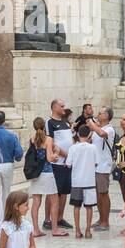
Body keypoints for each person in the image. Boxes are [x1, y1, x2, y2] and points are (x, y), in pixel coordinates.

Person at [0, 110, 25, 223]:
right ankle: (6, 219)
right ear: (4, 120)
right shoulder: (11, 135)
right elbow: (19, 153)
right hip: (8, 164)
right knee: (6, 193)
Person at [46, 99, 74, 232]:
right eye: (61, 105)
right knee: (52, 192)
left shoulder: (66, 123)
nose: (64, 107)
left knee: (64, 192)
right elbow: (50, 143)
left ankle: (60, 218)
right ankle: (48, 219)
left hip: (67, 164)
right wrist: (65, 154)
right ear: (54, 107)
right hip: (56, 163)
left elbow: (70, 140)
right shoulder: (49, 123)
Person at [66, 123, 99, 238]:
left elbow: (68, 164)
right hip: (89, 181)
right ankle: (88, 231)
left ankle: (77, 231)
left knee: (77, 206)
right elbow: (96, 163)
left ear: (78, 134)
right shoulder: (93, 148)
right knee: (89, 207)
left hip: (77, 181)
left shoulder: (73, 148)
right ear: (89, 134)